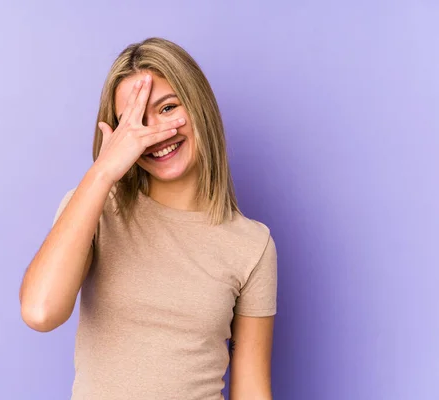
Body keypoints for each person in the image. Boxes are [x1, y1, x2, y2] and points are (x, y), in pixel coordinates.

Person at [19, 37, 278, 400]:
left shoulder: (252, 245)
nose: (156, 132)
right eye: (135, 122)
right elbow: (40, 311)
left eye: (168, 107)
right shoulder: (94, 210)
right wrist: (102, 171)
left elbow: (252, 389)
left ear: (199, 105)